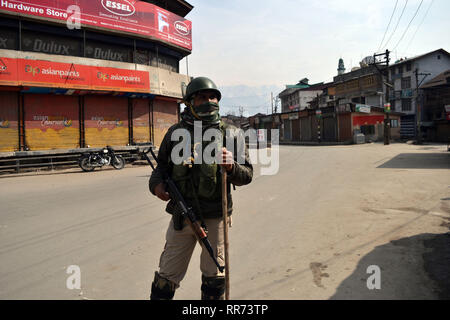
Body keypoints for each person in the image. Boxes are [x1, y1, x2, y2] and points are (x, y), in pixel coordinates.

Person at [148, 77, 253, 300]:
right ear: (190, 102)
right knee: (165, 278)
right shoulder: (176, 133)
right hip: (182, 216)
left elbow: (247, 175)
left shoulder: (231, 134)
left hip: (215, 217)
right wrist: (156, 186)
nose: (209, 101)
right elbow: (161, 168)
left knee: (214, 278)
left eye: (213, 97)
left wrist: (231, 166)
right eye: (202, 97)